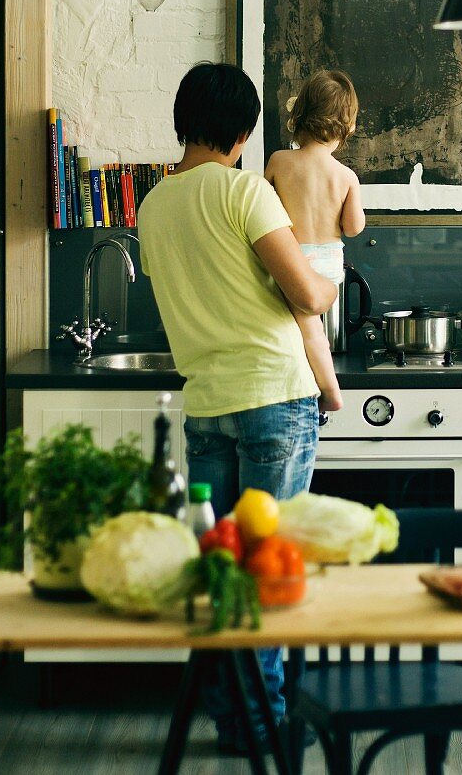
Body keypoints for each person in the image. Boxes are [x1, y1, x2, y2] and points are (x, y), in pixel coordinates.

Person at [137, 62, 336, 754]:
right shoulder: (244, 192)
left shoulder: (152, 205)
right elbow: (306, 296)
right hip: (273, 400)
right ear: (245, 131)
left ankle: (230, 716)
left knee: (222, 567)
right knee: (265, 569)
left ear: (184, 120)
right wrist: (328, 285)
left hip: (209, 405)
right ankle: (265, 724)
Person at [265, 69, 366, 411]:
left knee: (305, 329)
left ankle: (329, 392)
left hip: (291, 259)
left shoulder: (280, 161)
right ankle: (321, 383)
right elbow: (353, 228)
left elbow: (260, 208)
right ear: (347, 127)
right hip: (328, 265)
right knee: (311, 327)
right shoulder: (346, 176)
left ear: (299, 117)